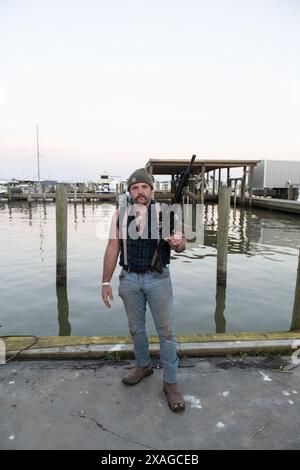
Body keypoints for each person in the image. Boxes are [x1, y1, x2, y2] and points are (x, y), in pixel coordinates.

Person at [101, 168, 186, 412]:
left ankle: (170, 383)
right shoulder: (120, 214)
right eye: (135, 188)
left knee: (166, 332)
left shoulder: (167, 213)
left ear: (152, 189)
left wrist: (178, 242)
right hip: (128, 279)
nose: (140, 191)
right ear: (130, 191)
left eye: (144, 187)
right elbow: (112, 247)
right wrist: (105, 282)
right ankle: (143, 366)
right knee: (136, 328)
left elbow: (182, 245)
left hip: (158, 279)